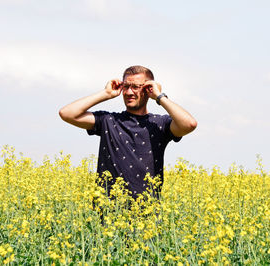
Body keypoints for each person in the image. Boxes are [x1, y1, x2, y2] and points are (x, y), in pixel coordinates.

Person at [59, 65, 197, 199]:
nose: (129, 92)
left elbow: (189, 124)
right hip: (108, 214)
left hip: (147, 215)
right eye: (126, 86)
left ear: (148, 89)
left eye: (136, 87)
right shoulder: (108, 121)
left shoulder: (159, 124)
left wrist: (160, 97)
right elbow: (67, 113)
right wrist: (105, 94)